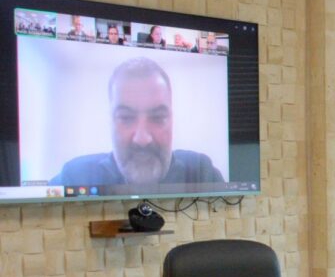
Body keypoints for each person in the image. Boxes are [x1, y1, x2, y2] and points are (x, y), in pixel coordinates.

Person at [51, 57, 225, 187]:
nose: (142, 139)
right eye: (126, 118)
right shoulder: (75, 176)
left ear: (172, 121)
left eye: (157, 118)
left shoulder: (202, 172)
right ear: (110, 122)